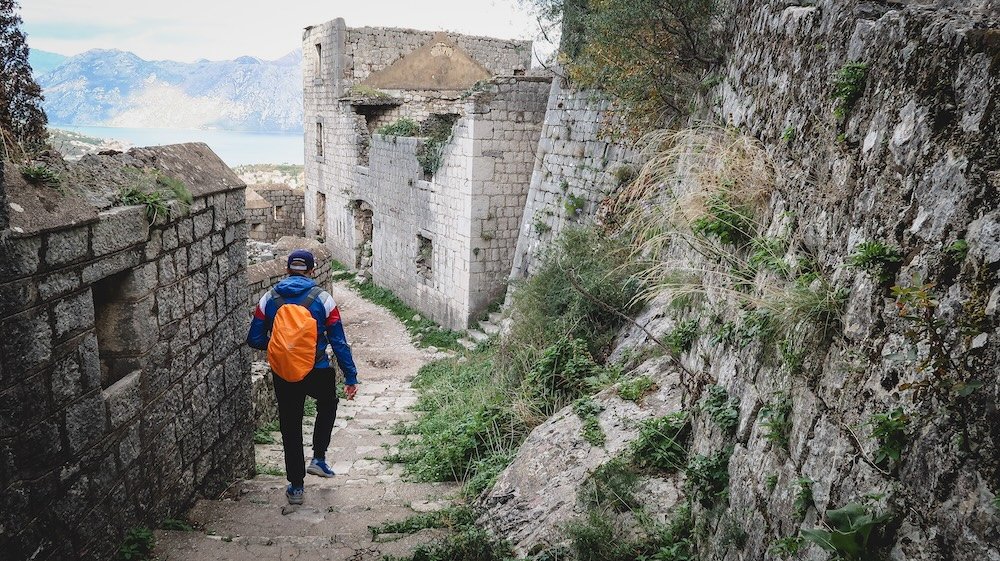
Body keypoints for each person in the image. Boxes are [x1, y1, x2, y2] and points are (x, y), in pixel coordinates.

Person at [246, 249, 358, 505]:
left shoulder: (268, 298)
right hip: (317, 368)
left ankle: (296, 486)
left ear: (287, 270)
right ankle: (319, 458)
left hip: (284, 371)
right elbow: (339, 341)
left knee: (290, 425)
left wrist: (283, 348)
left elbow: (254, 338)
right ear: (311, 271)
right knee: (328, 404)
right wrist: (350, 376)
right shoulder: (323, 299)